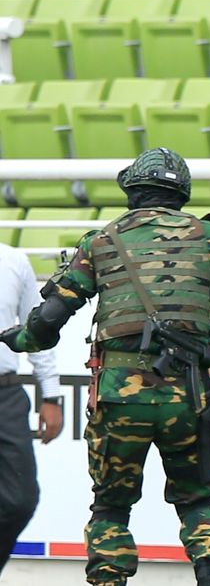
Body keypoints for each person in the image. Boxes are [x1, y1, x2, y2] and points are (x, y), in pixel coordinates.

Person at [2, 148, 210, 586]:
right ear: (180, 193)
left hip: (119, 394)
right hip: (191, 393)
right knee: (199, 500)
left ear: (132, 191)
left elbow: (51, 317)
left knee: (111, 505)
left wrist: (21, 340)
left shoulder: (102, 240)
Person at [0, 239, 61, 574]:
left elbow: (36, 330)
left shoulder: (12, 260)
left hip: (5, 394)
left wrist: (50, 394)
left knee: (20, 500)